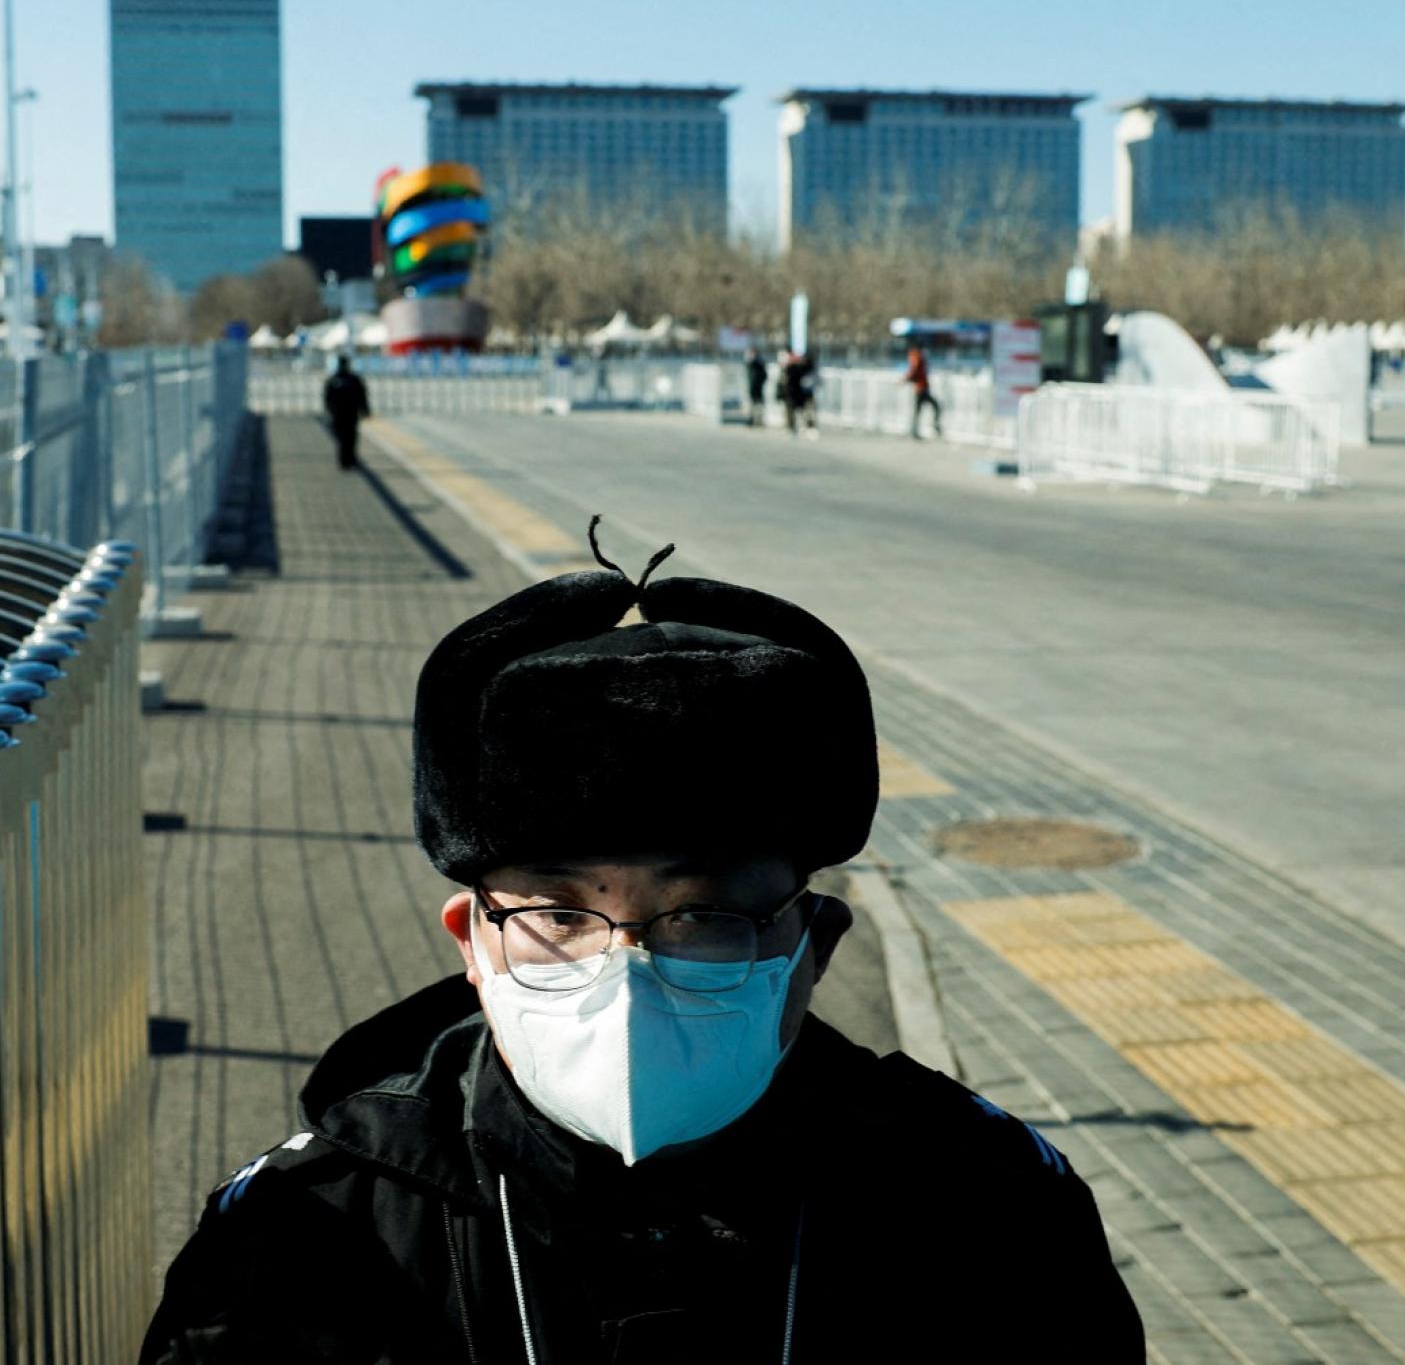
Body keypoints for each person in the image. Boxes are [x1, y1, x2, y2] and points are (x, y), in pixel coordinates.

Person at [140, 524, 1143, 1362]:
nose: (623, 972)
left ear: (811, 948)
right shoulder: (316, 1234)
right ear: (471, 944)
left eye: (698, 915)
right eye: (560, 914)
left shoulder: (975, 1209)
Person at [322, 355, 370, 471]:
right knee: (347, 437)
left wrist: (329, 409)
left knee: (347, 437)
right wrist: (364, 409)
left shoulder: (335, 379)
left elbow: (327, 397)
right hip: (346, 413)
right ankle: (347, 459)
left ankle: (347, 459)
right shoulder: (351, 379)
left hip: (343, 413)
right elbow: (362, 396)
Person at [906, 342, 942, 439]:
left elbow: (913, 372)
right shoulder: (918, 358)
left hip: (922, 388)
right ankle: (915, 430)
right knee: (932, 407)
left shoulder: (916, 358)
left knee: (922, 410)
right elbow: (914, 372)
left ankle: (916, 430)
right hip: (921, 389)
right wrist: (907, 379)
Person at [743, 345, 768, 428]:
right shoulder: (751, 361)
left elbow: (764, 375)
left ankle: (758, 420)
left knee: (758, 404)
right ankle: (752, 420)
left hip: (758, 386)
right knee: (752, 404)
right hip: (753, 387)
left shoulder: (758, 362)